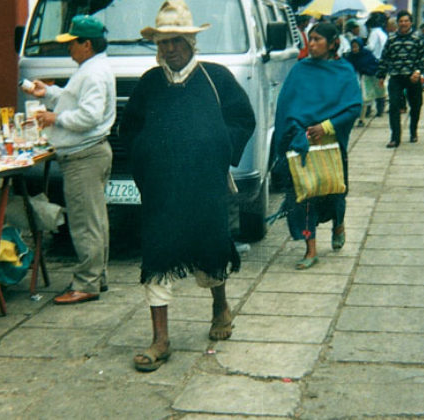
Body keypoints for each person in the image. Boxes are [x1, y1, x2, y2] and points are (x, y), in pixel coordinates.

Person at [119, 0, 255, 372]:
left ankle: (219, 304)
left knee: (211, 249)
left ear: (192, 43)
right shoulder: (149, 84)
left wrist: (216, 147)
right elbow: (129, 130)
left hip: (205, 187)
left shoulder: (215, 79)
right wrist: (145, 157)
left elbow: (243, 119)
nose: (170, 49)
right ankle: (160, 339)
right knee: (158, 255)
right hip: (162, 190)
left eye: (176, 41)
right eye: (163, 43)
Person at [25, 14, 115, 304]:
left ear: (86, 44)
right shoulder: (92, 68)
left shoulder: (91, 72)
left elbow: (89, 115)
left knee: (85, 223)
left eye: (72, 43)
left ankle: (87, 283)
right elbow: (76, 100)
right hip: (90, 152)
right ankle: (95, 277)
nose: (68, 48)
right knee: (95, 221)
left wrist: (55, 118)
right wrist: (49, 93)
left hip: (84, 156)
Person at [273, 22, 361, 270]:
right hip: (302, 143)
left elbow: (353, 107)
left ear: (333, 43)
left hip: (331, 144)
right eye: (309, 39)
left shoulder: (344, 71)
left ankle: (339, 224)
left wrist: (327, 127)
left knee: (335, 193)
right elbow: (286, 107)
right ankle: (310, 250)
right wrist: (297, 131)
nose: (310, 44)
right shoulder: (300, 69)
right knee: (305, 196)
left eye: (317, 39)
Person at [377, 10, 424, 148]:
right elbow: (385, 58)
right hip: (396, 77)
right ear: (398, 23)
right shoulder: (391, 39)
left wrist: (418, 72)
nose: (403, 23)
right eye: (401, 21)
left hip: (412, 77)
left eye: (406, 21)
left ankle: (413, 131)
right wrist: (381, 75)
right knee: (394, 106)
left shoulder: (417, 39)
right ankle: (395, 137)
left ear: (411, 23)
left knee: (416, 105)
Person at [345, 38, 380, 126]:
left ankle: (361, 119)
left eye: (356, 47)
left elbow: (374, 66)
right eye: (353, 47)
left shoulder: (367, 55)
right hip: (353, 81)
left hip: (364, 80)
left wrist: (365, 70)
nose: (354, 49)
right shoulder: (350, 56)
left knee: (364, 100)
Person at [365, 12, 388, 116]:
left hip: (374, 62)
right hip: (382, 61)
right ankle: (380, 108)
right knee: (380, 85)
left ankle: (368, 109)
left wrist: (362, 47)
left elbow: (371, 47)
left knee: (370, 85)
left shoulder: (374, 33)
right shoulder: (383, 33)